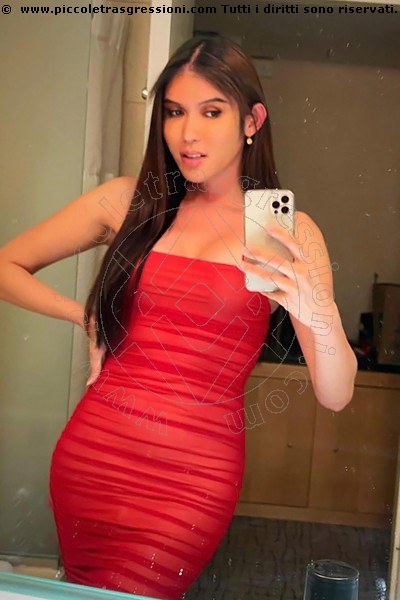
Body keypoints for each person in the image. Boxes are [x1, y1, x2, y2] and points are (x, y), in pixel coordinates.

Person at [0, 35, 357, 600]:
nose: (188, 133)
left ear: (251, 121)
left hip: (192, 483)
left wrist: (321, 313)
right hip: (94, 457)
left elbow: (335, 394)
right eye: (174, 112)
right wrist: (84, 315)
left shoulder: (282, 230)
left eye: (211, 112)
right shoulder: (130, 202)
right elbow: (7, 265)